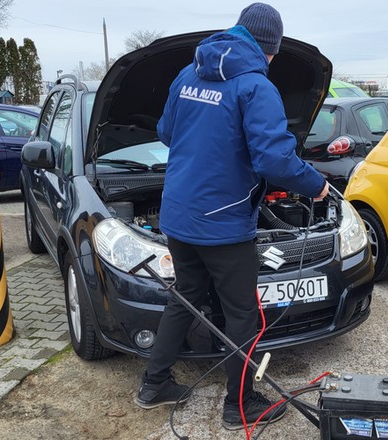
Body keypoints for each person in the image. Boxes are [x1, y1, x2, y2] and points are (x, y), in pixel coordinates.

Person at [133, 2, 329, 430]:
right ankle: (239, 405)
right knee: (245, 316)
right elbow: (275, 159)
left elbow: (166, 132)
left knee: (184, 298)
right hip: (223, 223)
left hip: (179, 217)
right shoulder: (256, 86)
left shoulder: (188, 74)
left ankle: (154, 385)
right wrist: (317, 185)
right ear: (270, 48)